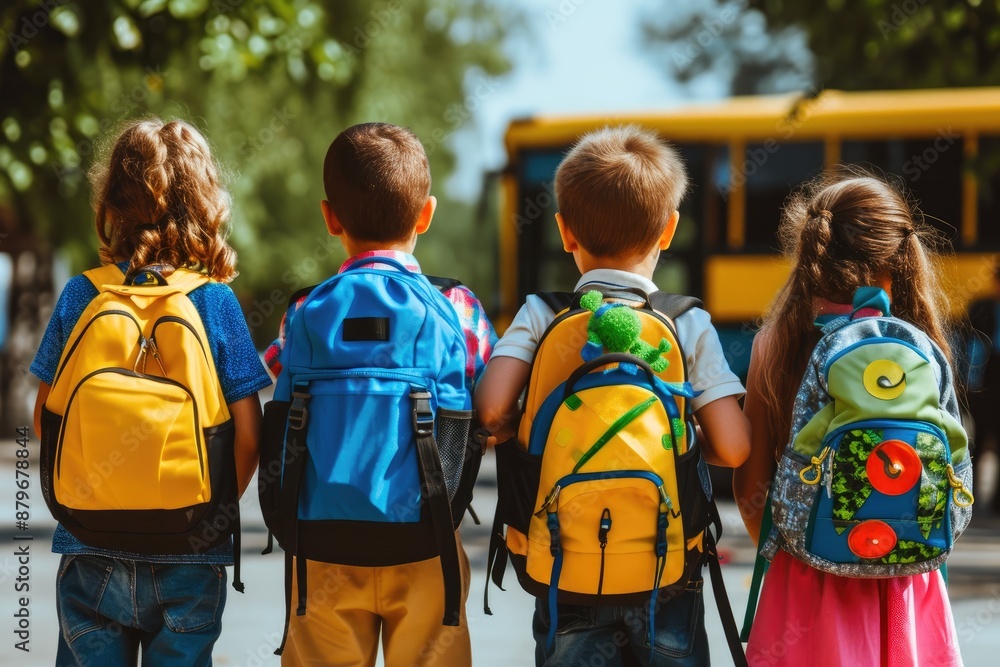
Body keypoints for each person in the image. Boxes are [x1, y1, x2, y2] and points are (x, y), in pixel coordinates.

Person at [475, 125, 751, 666]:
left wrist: (524, 426)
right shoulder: (686, 321)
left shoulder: (541, 313)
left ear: (564, 232)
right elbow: (735, 449)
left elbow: (488, 409)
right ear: (670, 229)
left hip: (564, 563)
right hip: (665, 568)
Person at [31, 119, 270, 666]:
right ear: (206, 202)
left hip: (89, 544)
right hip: (189, 551)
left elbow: (46, 420)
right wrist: (206, 516)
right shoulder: (214, 303)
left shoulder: (80, 295)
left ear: (112, 199)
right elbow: (249, 433)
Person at [264, 122, 495, 667]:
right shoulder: (459, 309)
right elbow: (488, 405)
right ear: (426, 214)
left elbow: (279, 380)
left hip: (319, 548)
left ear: (329, 217)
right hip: (427, 541)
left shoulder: (303, 312)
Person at [733, 170, 965, 666]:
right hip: (907, 583)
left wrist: (811, 545)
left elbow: (749, 488)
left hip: (804, 587)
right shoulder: (921, 346)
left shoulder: (775, 344)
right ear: (903, 256)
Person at [967, 266, 1000, 513]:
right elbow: (972, 346)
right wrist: (970, 384)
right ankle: (971, 496)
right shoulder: (981, 308)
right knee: (977, 441)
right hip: (985, 384)